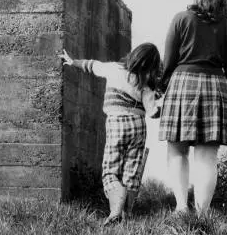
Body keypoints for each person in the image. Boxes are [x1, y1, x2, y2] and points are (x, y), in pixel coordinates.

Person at [159, 0, 227, 216]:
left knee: (177, 149)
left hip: (182, 84)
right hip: (216, 85)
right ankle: (203, 213)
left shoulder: (181, 19)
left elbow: (168, 62)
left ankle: (181, 208)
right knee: (207, 156)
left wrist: (163, 89)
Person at [61, 43, 161, 225]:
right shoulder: (147, 85)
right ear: (152, 67)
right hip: (138, 126)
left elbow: (91, 65)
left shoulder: (114, 68)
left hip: (116, 124)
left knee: (110, 170)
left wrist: (72, 61)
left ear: (134, 55)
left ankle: (115, 210)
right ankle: (126, 215)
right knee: (132, 172)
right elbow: (153, 112)